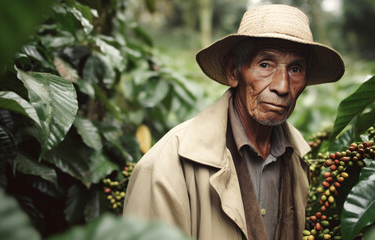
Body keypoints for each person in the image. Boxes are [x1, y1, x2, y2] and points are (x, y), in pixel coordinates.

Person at [123, 4, 344, 240]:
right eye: (265, 65)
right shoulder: (165, 168)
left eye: (296, 69)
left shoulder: (300, 159)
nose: (282, 86)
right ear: (232, 71)